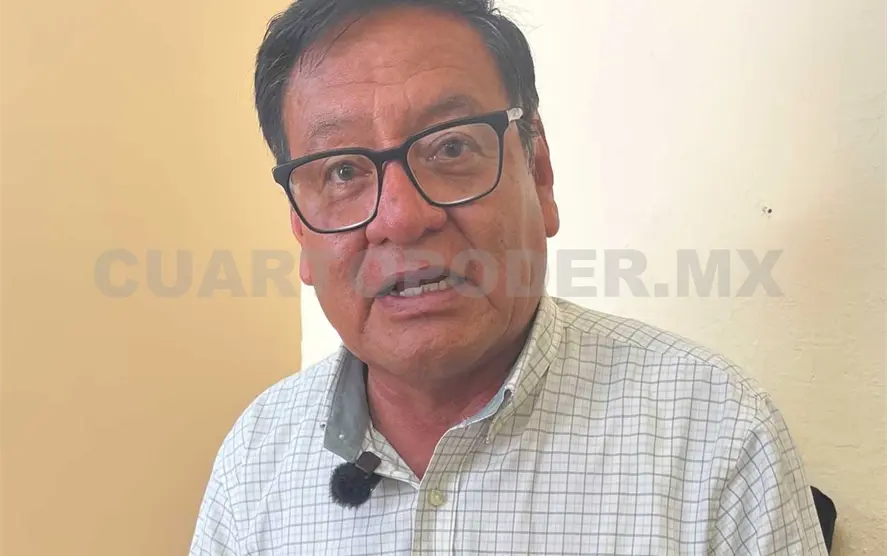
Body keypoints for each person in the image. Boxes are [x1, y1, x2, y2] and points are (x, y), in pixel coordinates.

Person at [189, 0, 829, 554]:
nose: (402, 218)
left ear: (539, 172)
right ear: (301, 232)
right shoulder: (256, 460)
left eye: (450, 147)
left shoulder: (716, 438)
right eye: (341, 171)